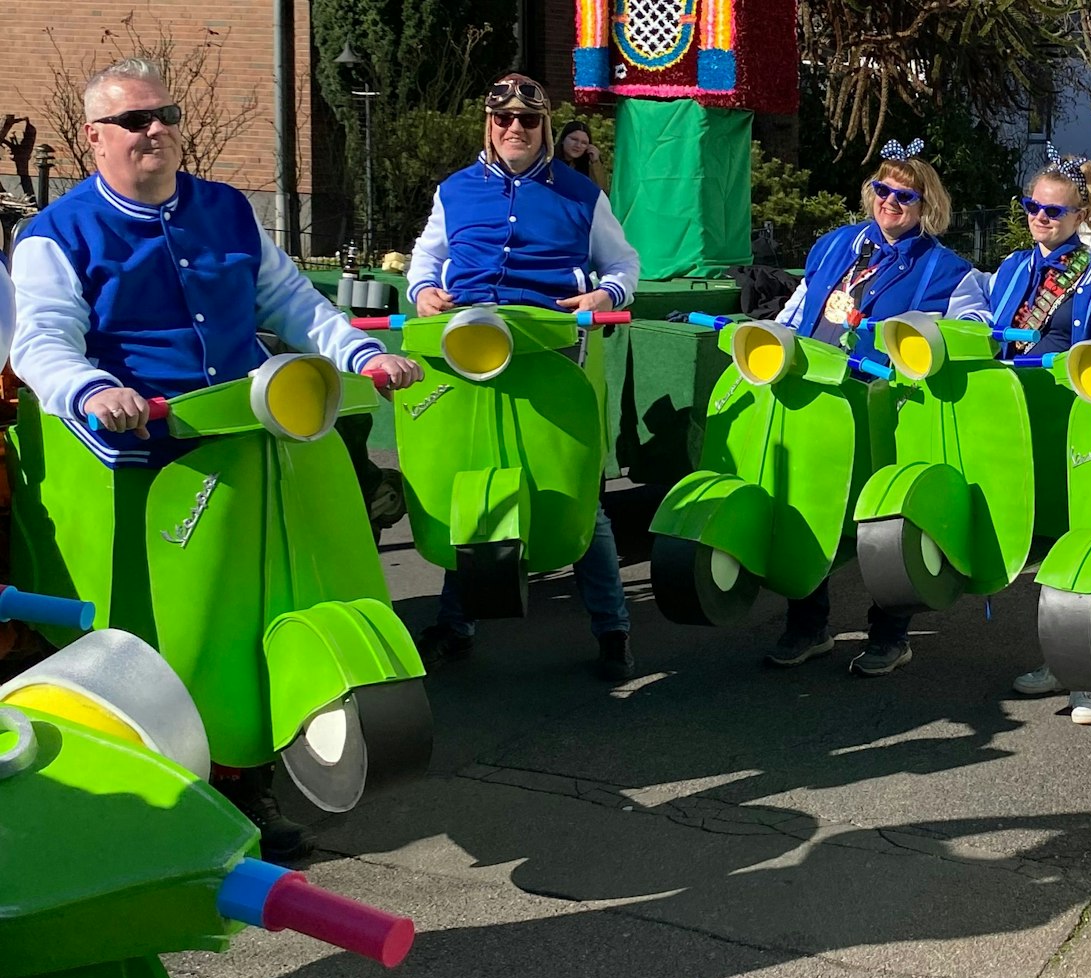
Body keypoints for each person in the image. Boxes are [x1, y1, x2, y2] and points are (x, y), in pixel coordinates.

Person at [7, 58, 423, 861]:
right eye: (132, 121)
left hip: (250, 442)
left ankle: (248, 786)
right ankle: (151, 798)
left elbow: (293, 303)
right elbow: (42, 342)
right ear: (94, 137)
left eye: (165, 114)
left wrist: (359, 356)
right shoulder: (55, 235)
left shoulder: (228, 210)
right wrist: (93, 389)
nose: (153, 129)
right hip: (145, 456)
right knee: (167, 640)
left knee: (254, 617)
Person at [405, 73, 642, 682]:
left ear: (546, 129)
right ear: (489, 123)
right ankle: (457, 625)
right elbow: (426, 258)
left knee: (576, 497)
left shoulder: (581, 194)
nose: (516, 128)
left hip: (552, 358)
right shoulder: (454, 190)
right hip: (465, 355)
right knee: (472, 484)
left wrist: (607, 293)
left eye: (528, 121)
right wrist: (424, 287)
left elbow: (622, 261)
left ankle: (613, 629)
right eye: (504, 118)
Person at [764, 138, 983, 677]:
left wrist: (922, 340)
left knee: (886, 520)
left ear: (926, 205)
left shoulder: (946, 268)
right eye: (883, 190)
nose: (891, 202)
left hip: (887, 408)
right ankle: (808, 625)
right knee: (806, 507)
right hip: (814, 396)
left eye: (905, 197)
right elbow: (801, 307)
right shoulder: (837, 243)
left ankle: (890, 634)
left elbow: (972, 328)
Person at [969, 144, 1091, 726]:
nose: (1041, 218)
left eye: (1055, 212)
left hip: (1073, 426)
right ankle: (1056, 660)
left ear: (1081, 217)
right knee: (1037, 550)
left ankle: (1088, 682)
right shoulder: (1011, 269)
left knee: (1076, 548)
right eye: (1033, 207)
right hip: (1017, 423)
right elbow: (987, 333)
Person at [556, 121, 608, 188]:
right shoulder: (547, 158)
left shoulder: (587, 164)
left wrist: (595, 162)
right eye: (574, 139)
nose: (578, 145)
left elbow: (601, 192)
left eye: (584, 143)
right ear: (563, 139)